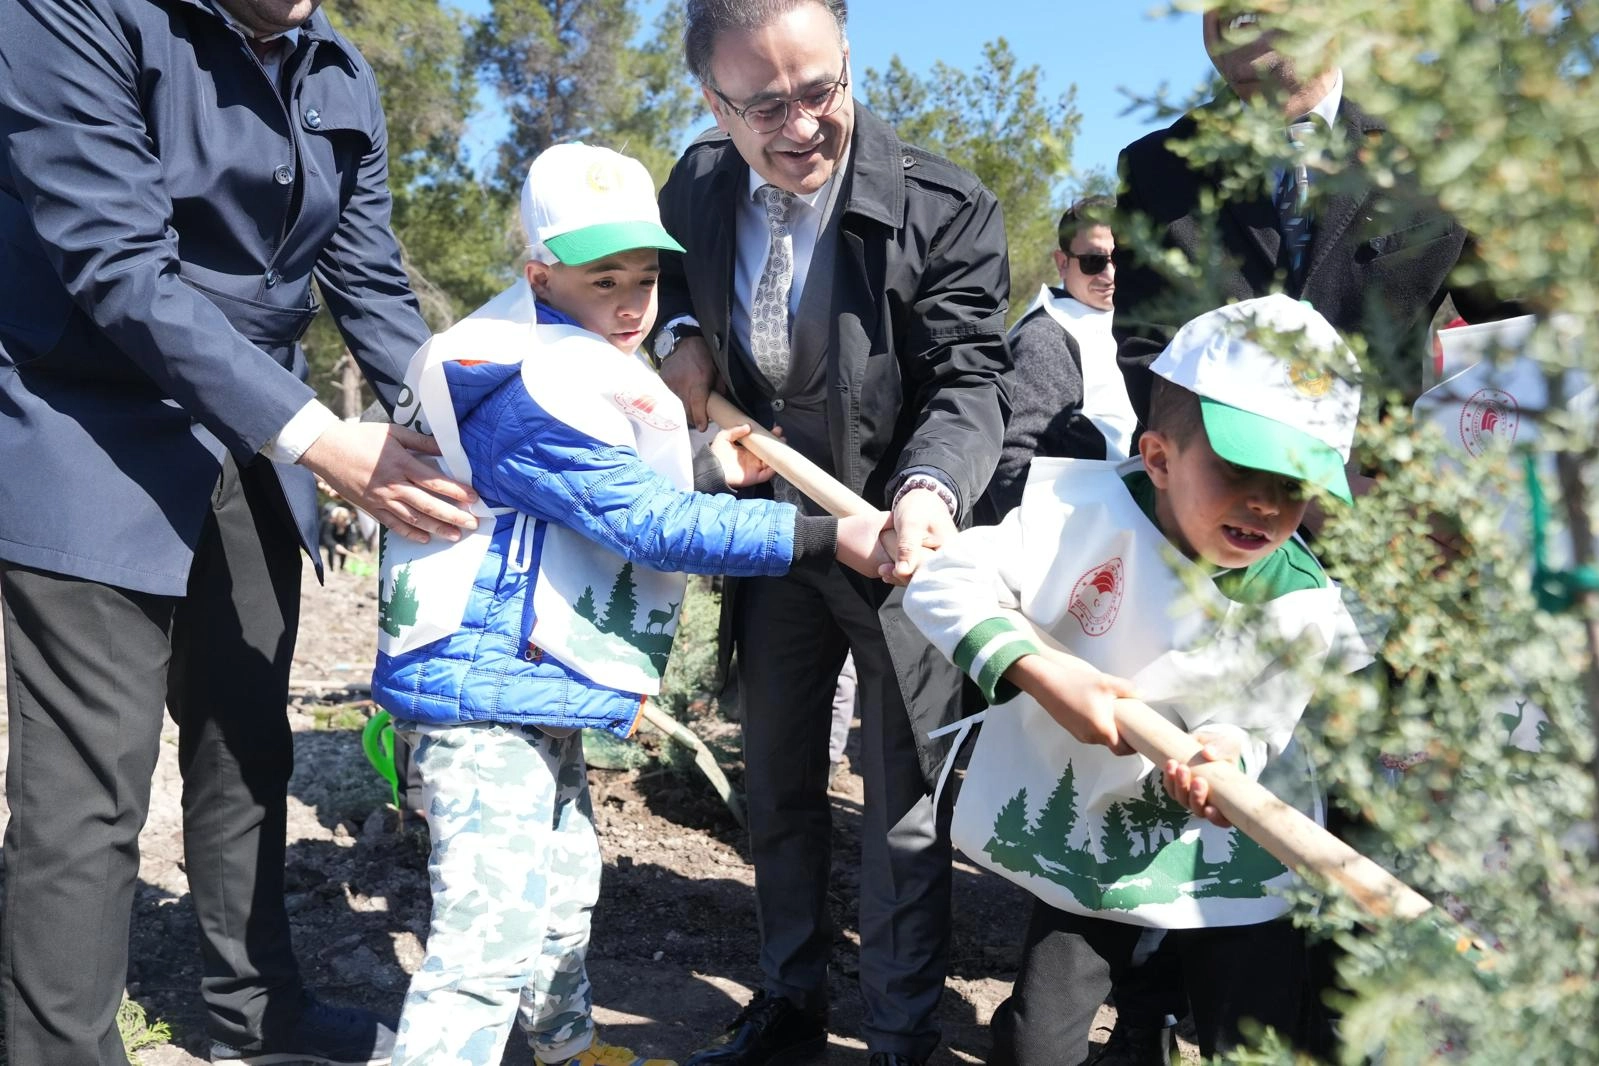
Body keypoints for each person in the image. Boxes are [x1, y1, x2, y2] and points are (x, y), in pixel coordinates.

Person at [0, 1, 480, 1062]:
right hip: (91, 430)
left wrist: (469, 427)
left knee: (247, 744)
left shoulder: (337, 71)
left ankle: (257, 1013)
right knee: (88, 788)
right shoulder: (72, 15)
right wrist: (319, 440)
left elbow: (369, 286)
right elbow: (116, 264)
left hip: (253, 444)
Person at [369, 142, 892, 1066]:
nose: (631, 303)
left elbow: (579, 498)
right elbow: (642, 526)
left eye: (646, 278)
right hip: (482, 697)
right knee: (482, 945)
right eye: (601, 276)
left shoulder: (558, 361)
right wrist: (823, 535)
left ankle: (567, 1050)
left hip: (528, 687)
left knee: (564, 889)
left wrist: (703, 470)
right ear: (540, 274)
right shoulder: (522, 380)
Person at [653, 2, 1012, 1063]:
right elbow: (670, 282)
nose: (803, 124)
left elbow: (969, 377)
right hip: (773, 547)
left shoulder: (945, 206)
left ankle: (901, 1030)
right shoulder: (697, 187)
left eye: (821, 90)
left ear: (849, 58)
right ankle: (789, 995)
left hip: (897, 547)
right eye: (764, 105)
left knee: (901, 808)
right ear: (714, 103)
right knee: (775, 780)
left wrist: (932, 490)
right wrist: (678, 334)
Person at [905, 294, 1370, 1063]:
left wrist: (1224, 751)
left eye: (1294, 486)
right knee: (1038, 1039)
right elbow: (942, 584)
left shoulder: (1297, 595)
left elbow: (1261, 721)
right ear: (1156, 457)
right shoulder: (1078, 517)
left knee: (1252, 1034)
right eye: (1240, 469)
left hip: (1232, 849)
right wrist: (1047, 675)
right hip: (1090, 823)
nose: (1265, 503)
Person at [1113, 4, 1518, 427]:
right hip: (1216, 480)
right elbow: (1152, 354)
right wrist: (1248, 474)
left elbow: (1527, 322)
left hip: (1381, 480)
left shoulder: (1437, 151)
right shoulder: (1153, 169)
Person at [976, 195, 1137, 525]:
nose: (1109, 274)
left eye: (1120, 258)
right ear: (1062, 262)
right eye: (1093, 261)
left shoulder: (1128, 325)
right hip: (1076, 544)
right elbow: (1012, 458)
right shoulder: (1046, 337)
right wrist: (1049, 551)